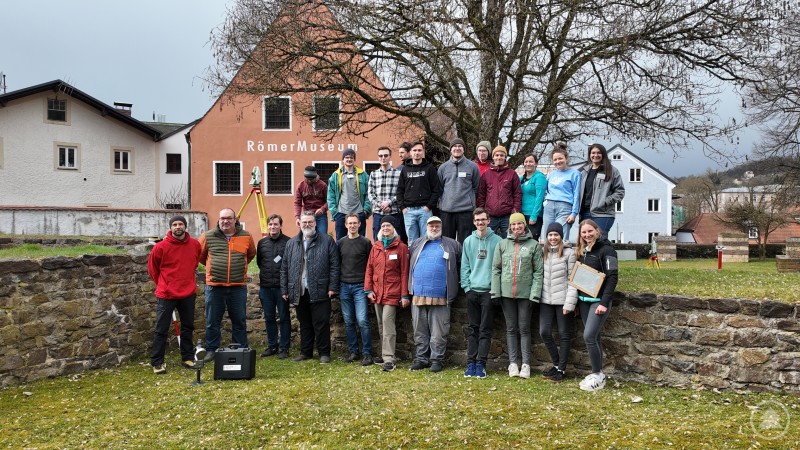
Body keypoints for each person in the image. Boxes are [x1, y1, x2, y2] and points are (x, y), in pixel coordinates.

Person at [281, 211, 340, 364]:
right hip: (299, 290)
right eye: (304, 222)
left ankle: (324, 353)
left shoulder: (327, 241)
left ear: (315, 223)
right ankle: (305, 352)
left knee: (321, 323)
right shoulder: (292, 243)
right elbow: (284, 267)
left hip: (320, 288)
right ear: (299, 223)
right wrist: (285, 289)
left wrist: (333, 286)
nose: (307, 225)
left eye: (310, 222)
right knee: (304, 323)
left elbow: (335, 265)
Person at [199, 208, 257, 362]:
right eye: (222, 218)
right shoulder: (208, 236)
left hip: (238, 286)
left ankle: (239, 348)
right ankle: (212, 350)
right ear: (219, 220)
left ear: (235, 220)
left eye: (229, 218)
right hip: (214, 286)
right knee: (212, 320)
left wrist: (239, 267)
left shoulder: (246, 236)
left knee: (239, 319)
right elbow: (200, 256)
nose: (225, 221)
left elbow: (250, 254)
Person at [491, 213, 543, 379]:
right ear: (510, 227)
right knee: (511, 328)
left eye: (519, 224)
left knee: (525, 329)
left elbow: (538, 272)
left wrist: (534, 294)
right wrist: (496, 291)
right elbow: (496, 269)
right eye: (513, 225)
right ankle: (513, 363)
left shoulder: (534, 245)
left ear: (525, 225)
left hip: (525, 294)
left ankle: (526, 364)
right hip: (506, 294)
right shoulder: (502, 244)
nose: (516, 227)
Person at [147, 215, 202, 374]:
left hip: (188, 292)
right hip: (166, 294)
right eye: (175, 224)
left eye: (181, 224)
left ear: (185, 226)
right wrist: (164, 284)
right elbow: (153, 270)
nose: (178, 227)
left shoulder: (194, 245)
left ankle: (187, 357)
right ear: (170, 227)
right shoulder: (161, 247)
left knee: (188, 327)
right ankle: (157, 362)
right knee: (161, 329)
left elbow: (194, 263)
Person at [408, 216, 462, 373]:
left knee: (439, 332)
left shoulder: (452, 244)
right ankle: (421, 359)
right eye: (431, 225)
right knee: (419, 330)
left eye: (437, 225)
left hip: (441, 296)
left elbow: (459, 264)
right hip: (418, 294)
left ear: (441, 226)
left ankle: (437, 360)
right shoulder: (417, 243)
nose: (434, 228)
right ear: (426, 227)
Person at [575, 219, 618, 392]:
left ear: (597, 230)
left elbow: (612, 278)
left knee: (589, 337)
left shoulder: (607, 250)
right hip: (584, 302)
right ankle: (597, 375)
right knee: (595, 338)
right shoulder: (581, 251)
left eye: (590, 231)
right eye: (583, 233)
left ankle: (597, 374)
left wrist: (604, 303)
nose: (587, 235)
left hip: (598, 303)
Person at [460, 208, 502, 378]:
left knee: (485, 329)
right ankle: (470, 363)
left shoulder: (498, 241)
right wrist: (467, 288)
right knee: (472, 329)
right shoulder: (468, 241)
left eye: (483, 219)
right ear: (474, 222)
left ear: (489, 220)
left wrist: (495, 290)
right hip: (472, 291)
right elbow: (465, 266)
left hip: (488, 292)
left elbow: (500, 268)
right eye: (477, 220)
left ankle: (481, 364)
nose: (480, 223)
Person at [365, 216, 410, 372]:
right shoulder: (376, 247)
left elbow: (404, 272)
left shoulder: (401, 247)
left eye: (388, 226)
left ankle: (389, 359)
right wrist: (368, 290)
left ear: (393, 228)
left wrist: (404, 295)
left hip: (393, 292)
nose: (385, 228)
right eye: (383, 225)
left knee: (388, 323)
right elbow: (369, 269)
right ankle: (385, 355)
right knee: (380, 324)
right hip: (377, 292)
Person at [539, 222, 578, 382]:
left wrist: (569, 303)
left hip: (563, 300)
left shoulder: (569, 253)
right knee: (545, 332)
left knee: (564, 335)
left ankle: (562, 369)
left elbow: (573, 280)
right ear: (547, 236)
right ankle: (556, 364)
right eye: (550, 235)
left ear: (561, 236)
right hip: (546, 300)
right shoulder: (543, 252)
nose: (553, 238)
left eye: (556, 235)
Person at [337, 214, 374, 366]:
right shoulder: (340, 243)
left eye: (355, 223)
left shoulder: (366, 242)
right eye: (349, 223)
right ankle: (353, 352)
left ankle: (367, 353)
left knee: (363, 320)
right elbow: (336, 265)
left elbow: (370, 266)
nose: (352, 226)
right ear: (345, 225)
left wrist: (369, 286)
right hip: (344, 286)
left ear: (359, 224)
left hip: (360, 287)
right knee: (348, 321)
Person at [256, 214, 291, 359]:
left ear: (281, 225)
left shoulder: (289, 242)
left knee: (284, 318)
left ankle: (284, 347)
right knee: (269, 318)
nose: (273, 227)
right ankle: (272, 346)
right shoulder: (262, 243)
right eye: (270, 224)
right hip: (265, 287)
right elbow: (259, 262)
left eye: (275, 224)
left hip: (281, 288)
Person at [397, 141, 442, 242]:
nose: (417, 153)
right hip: (408, 211)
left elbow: (436, 189)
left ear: (423, 152)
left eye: (419, 150)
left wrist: (429, 206)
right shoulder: (405, 169)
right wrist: (403, 207)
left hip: (425, 210)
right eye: (414, 150)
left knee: (427, 240)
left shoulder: (430, 168)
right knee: (412, 242)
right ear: (410, 152)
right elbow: (399, 190)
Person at [579, 143, 626, 240]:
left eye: (598, 153)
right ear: (589, 155)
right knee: (586, 241)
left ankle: (608, 255)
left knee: (599, 240)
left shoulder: (612, 171)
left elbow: (620, 192)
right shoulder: (583, 172)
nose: (595, 155)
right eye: (593, 153)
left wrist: (605, 202)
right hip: (585, 212)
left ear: (603, 154)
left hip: (603, 213)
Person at [438, 138, 480, 244]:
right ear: (450, 149)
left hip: (466, 211)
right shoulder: (443, 168)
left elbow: (476, 187)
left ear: (464, 149)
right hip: (447, 211)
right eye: (454, 146)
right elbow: (439, 188)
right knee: (447, 243)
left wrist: (470, 201)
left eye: (460, 146)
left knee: (466, 242)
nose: (457, 148)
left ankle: (463, 261)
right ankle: (450, 261)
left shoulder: (472, 166)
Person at [477, 145, 521, 239]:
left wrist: (515, 211)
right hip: (490, 216)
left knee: (510, 241)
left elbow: (517, 194)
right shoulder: (486, 175)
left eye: (501, 155)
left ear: (505, 157)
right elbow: (481, 195)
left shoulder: (512, 174)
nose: (499, 157)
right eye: (497, 155)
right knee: (487, 241)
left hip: (507, 216)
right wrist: (482, 212)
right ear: (493, 157)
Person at [541, 142, 581, 243]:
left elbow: (577, 194)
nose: (558, 161)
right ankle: (547, 258)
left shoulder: (575, 174)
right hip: (549, 207)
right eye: (555, 159)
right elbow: (545, 191)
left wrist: (574, 213)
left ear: (566, 159)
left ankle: (562, 258)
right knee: (547, 236)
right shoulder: (551, 174)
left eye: (560, 158)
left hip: (565, 207)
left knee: (561, 237)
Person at [327, 148, 371, 240]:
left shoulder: (363, 174)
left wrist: (366, 210)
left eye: (351, 157)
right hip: (341, 212)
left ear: (354, 159)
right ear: (343, 160)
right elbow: (330, 195)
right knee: (340, 240)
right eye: (346, 157)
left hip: (359, 212)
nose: (349, 159)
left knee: (360, 240)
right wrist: (334, 212)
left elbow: (369, 193)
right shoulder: (335, 175)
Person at [368, 146, 406, 242]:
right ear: (378, 157)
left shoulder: (398, 173)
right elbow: (370, 194)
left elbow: (401, 192)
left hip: (394, 212)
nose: (383, 158)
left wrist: (389, 203)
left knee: (396, 241)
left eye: (385, 155)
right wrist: (381, 205)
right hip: (378, 213)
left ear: (390, 157)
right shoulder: (373, 174)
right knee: (378, 241)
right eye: (380, 156)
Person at [294, 166, 329, 235]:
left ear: (316, 177)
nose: (309, 181)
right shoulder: (300, 186)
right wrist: (297, 217)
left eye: (312, 179)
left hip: (320, 215)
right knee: (305, 236)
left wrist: (323, 209)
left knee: (322, 236)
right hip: (306, 215)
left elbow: (330, 201)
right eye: (308, 179)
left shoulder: (323, 185)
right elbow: (297, 203)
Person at [520, 153, 547, 240]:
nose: (528, 164)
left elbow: (540, 197)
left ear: (536, 163)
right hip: (522, 215)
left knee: (531, 242)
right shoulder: (522, 179)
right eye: (526, 161)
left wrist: (534, 216)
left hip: (533, 216)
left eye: (531, 161)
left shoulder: (539, 177)